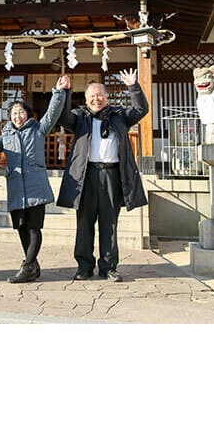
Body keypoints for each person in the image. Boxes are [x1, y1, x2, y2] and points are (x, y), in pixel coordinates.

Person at [57, 69, 148, 282]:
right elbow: (62, 117)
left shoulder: (119, 116)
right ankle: (84, 266)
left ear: (107, 97)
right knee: (84, 223)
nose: (96, 99)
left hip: (112, 175)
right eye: (92, 96)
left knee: (110, 224)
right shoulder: (79, 118)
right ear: (86, 100)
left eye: (100, 95)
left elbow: (141, 109)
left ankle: (108, 267)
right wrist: (66, 92)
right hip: (86, 176)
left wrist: (133, 87)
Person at [0, 77, 69, 283]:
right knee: (21, 228)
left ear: (28, 114)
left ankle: (27, 266)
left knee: (34, 228)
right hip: (16, 187)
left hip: (36, 187)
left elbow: (52, 113)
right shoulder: (6, 134)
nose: (18, 116)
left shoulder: (38, 129)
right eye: (14, 113)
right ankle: (32, 265)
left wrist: (58, 91)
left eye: (21, 112)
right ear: (10, 116)